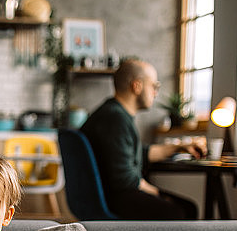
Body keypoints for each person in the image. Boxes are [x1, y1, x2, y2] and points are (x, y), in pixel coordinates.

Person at [80, 58, 202, 220]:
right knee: (183, 210)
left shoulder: (113, 113)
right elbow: (125, 179)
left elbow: (138, 153)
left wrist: (179, 147)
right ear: (136, 86)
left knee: (185, 207)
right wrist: (158, 193)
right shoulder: (115, 119)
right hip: (115, 199)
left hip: (109, 195)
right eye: (154, 86)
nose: (155, 92)